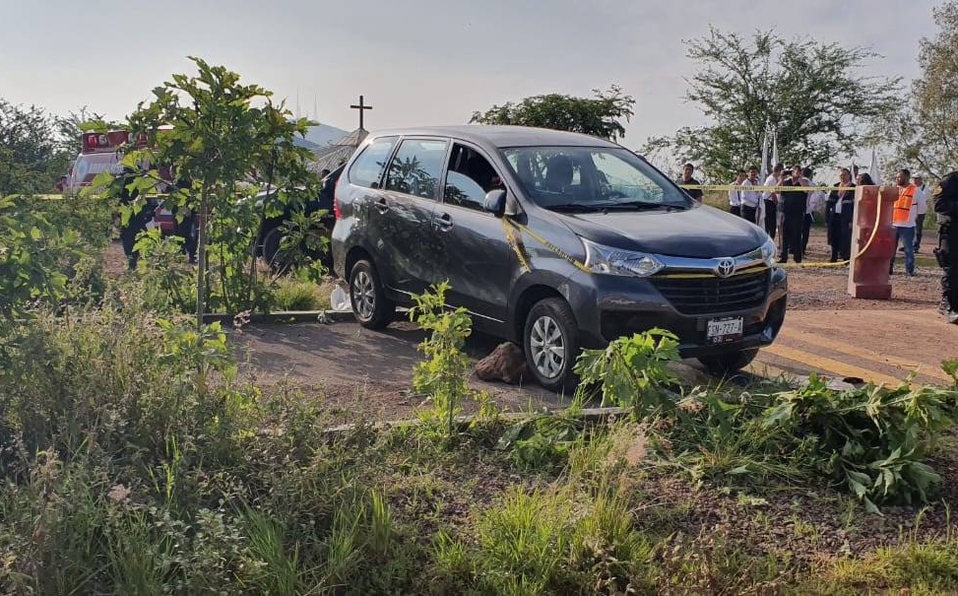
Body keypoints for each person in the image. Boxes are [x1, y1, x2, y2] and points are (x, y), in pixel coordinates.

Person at [933, 171, 958, 323]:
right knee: (952, 268)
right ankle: (948, 304)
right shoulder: (951, 180)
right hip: (952, 230)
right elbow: (938, 204)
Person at [889, 169, 918, 277]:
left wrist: (915, 217)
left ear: (906, 177)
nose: (897, 179)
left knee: (908, 249)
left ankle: (909, 270)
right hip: (894, 223)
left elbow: (922, 207)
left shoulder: (915, 190)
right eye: (897, 177)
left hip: (907, 225)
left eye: (899, 177)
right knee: (891, 249)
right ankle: (889, 269)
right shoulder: (895, 189)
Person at [779, 165, 808, 263]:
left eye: (797, 171)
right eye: (793, 171)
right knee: (785, 236)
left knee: (797, 235)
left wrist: (798, 178)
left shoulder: (803, 181)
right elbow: (776, 190)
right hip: (787, 212)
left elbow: (806, 189)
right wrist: (782, 178)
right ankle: (784, 258)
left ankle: (797, 258)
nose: (794, 172)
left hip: (798, 213)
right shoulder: (787, 182)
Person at [827, 168, 855, 262]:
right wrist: (827, 217)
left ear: (849, 175)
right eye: (841, 175)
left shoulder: (853, 188)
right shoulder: (835, 187)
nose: (843, 177)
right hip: (834, 216)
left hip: (846, 217)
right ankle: (833, 257)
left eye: (845, 175)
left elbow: (855, 206)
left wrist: (852, 220)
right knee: (834, 236)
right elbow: (829, 203)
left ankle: (846, 258)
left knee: (845, 238)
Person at [802, 167, 825, 254]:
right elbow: (819, 197)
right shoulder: (812, 184)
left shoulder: (798, 182)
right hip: (807, 211)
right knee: (805, 232)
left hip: (798, 211)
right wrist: (814, 208)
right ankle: (802, 249)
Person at [762, 163, 783, 238]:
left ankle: (769, 237)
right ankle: (770, 238)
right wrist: (777, 203)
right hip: (769, 202)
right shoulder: (772, 179)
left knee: (770, 223)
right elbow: (774, 193)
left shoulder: (771, 178)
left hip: (769, 201)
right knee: (771, 223)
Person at [913, 174, 928, 252]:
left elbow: (923, 198)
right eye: (914, 178)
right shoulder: (912, 187)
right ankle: (910, 245)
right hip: (912, 210)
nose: (915, 180)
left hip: (920, 211)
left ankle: (916, 246)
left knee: (918, 229)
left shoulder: (925, 188)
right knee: (910, 228)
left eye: (917, 178)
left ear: (920, 179)